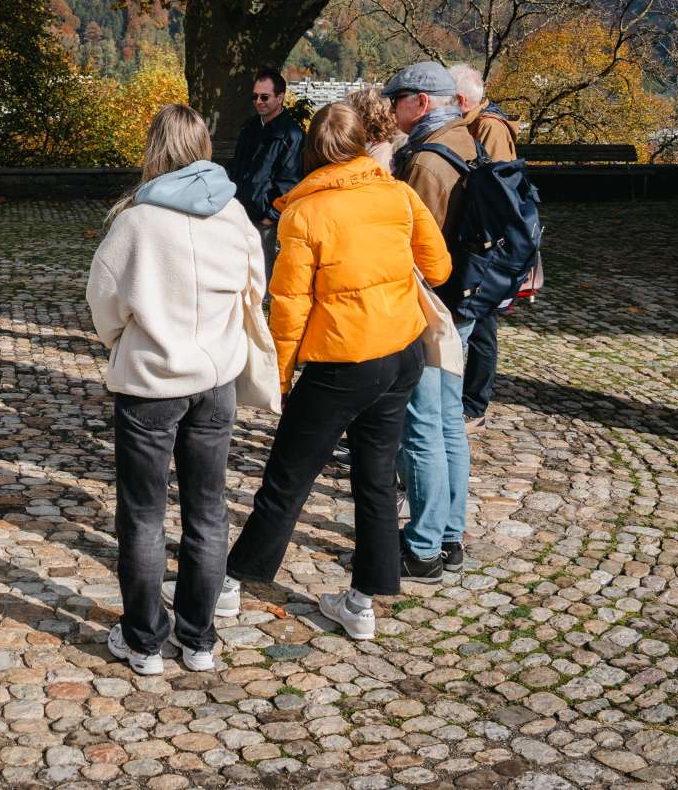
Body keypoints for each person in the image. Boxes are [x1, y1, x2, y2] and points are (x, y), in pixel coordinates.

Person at [225, 102, 450, 640]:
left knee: (287, 479)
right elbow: (439, 268)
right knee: (375, 481)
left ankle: (228, 584)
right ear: (359, 143)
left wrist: (279, 377)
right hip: (401, 352)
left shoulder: (303, 214)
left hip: (342, 361)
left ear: (313, 150)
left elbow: (290, 306)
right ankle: (362, 603)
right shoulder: (398, 193)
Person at [86, 104, 258, 676]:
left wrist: (125, 339)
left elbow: (104, 301)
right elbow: (253, 288)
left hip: (153, 380)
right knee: (208, 510)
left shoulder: (137, 222)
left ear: (155, 149)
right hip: (215, 378)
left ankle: (143, 640)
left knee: (143, 514)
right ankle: (198, 636)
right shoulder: (234, 213)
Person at [385, 61, 478, 583]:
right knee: (447, 423)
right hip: (464, 303)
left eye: (396, 99)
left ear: (420, 102)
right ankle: (450, 537)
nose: (391, 108)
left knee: (421, 427)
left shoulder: (425, 161)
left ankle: (422, 548)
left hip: (431, 306)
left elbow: (414, 248)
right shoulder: (468, 141)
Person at [447, 62, 516, 427]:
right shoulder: (478, 123)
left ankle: (474, 404)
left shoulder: (488, 127)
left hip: (487, 245)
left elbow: (496, 187)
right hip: (481, 242)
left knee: (482, 325)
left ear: (461, 99)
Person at [230, 69, 303, 279]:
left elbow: (291, 183)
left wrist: (269, 217)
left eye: (264, 97)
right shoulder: (249, 129)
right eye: (255, 97)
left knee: (264, 279)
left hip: (266, 225)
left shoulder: (292, 135)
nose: (258, 102)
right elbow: (237, 168)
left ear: (280, 98)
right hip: (240, 216)